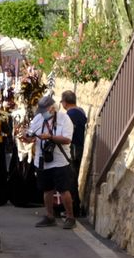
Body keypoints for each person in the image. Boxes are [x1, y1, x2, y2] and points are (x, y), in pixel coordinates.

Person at [22, 94, 75, 229]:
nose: (43, 114)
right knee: (47, 189)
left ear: (52, 109)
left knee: (64, 190)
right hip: (42, 160)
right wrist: (26, 136)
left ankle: (70, 217)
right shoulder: (38, 118)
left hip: (59, 160)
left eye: (45, 111)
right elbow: (31, 136)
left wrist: (50, 137)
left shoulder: (64, 119)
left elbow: (67, 139)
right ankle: (49, 216)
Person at [62, 90, 88, 218]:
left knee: (71, 179)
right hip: (80, 146)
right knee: (74, 177)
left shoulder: (69, 115)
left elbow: (67, 133)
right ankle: (75, 207)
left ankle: (74, 209)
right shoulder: (81, 112)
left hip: (72, 149)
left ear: (65, 102)